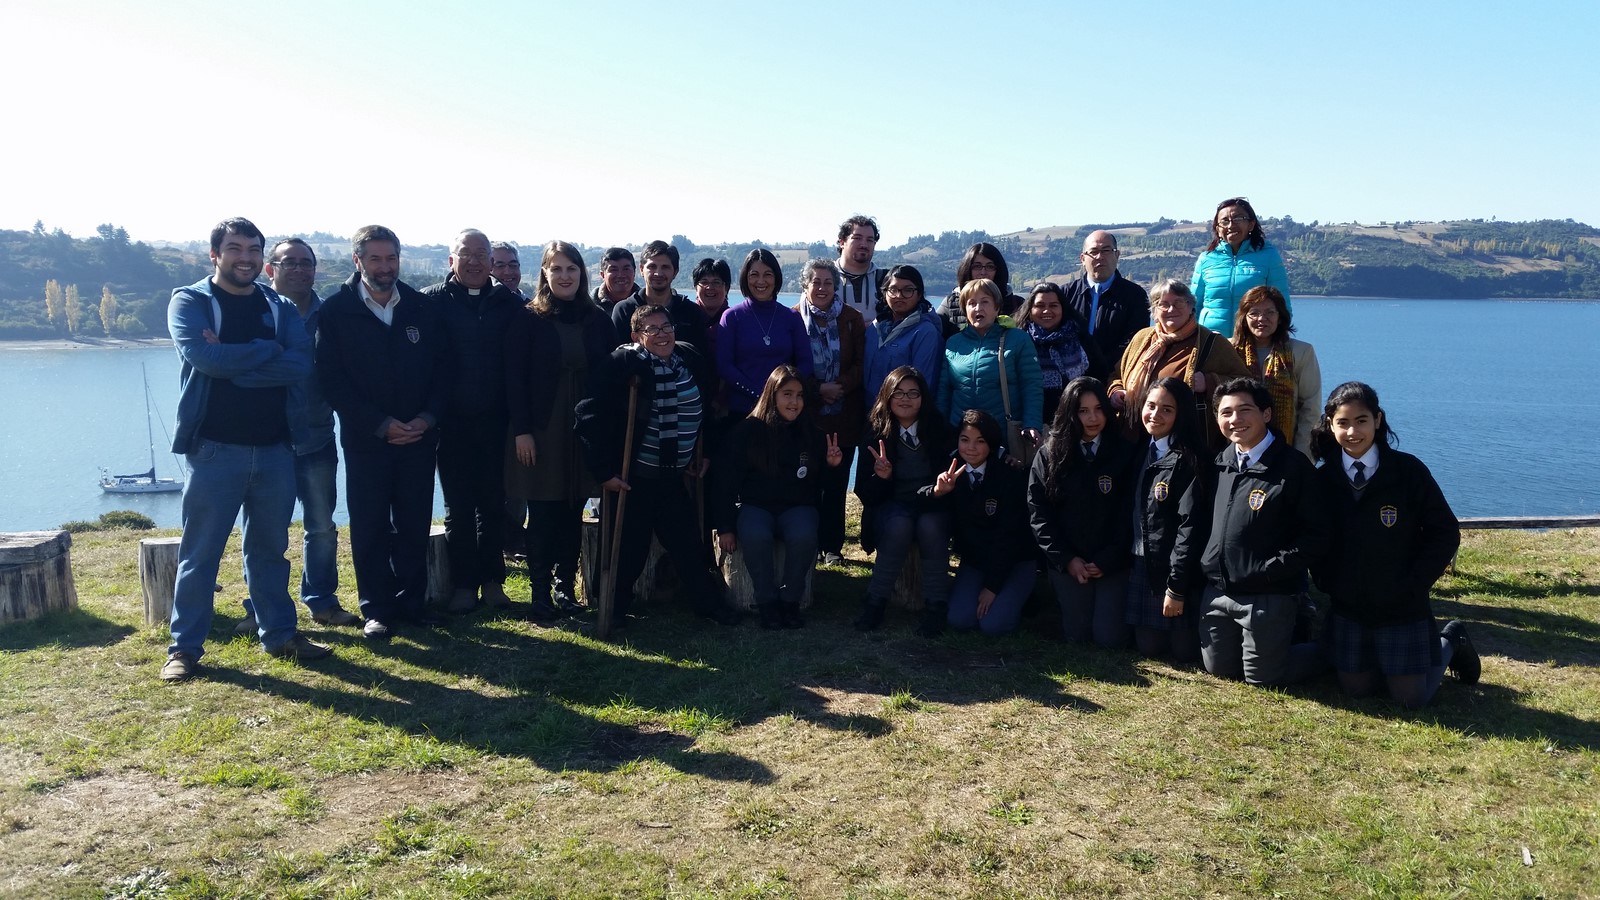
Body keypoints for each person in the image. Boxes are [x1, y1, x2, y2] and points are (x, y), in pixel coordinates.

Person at [160, 217, 329, 681]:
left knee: (270, 550)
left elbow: (299, 364)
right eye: (235, 248)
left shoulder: (276, 305)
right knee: (201, 553)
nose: (246, 257)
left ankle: (279, 633)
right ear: (215, 255)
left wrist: (238, 358)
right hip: (215, 451)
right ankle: (185, 649)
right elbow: (204, 359)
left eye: (254, 249)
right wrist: (265, 350)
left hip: (276, 449)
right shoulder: (192, 301)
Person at [317, 224, 451, 640]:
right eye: (375, 258)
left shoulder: (421, 307)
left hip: (418, 438)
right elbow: (332, 381)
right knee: (370, 526)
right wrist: (379, 424)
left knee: (412, 525)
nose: (384, 266)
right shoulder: (336, 311)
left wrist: (427, 419)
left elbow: (443, 374)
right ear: (357, 261)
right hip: (366, 442)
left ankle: (412, 605)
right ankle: (376, 609)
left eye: (391, 258)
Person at [1311, 381, 1479, 707]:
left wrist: (1415, 583)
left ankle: (1451, 640)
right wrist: (1326, 580)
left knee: (1409, 700)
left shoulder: (1408, 471)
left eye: (1361, 420)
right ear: (1329, 424)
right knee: (1357, 691)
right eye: (1342, 423)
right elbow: (1313, 536)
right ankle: (1380, 660)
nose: (1352, 431)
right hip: (1349, 604)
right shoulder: (1322, 479)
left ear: (1377, 419)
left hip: (1402, 604)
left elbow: (1444, 531)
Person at [576, 305, 741, 629]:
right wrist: (603, 472)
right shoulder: (622, 364)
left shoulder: (689, 361)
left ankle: (708, 606)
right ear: (637, 336)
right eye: (652, 330)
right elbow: (588, 415)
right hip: (633, 477)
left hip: (673, 474)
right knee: (628, 548)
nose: (662, 334)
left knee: (688, 545)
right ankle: (612, 607)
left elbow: (704, 409)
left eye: (666, 326)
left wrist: (701, 452)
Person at [247, 238, 360, 632]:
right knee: (265, 531)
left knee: (322, 527)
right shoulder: (253, 310)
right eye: (288, 262)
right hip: (266, 438)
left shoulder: (330, 315)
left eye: (305, 263)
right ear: (270, 268)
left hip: (316, 436)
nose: (298, 269)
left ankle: (322, 601)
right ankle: (259, 608)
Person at [505, 240, 617, 620]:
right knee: (542, 511)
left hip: (583, 427)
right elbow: (514, 380)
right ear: (545, 275)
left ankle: (565, 588)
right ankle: (539, 594)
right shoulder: (528, 319)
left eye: (571, 269)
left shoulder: (597, 319)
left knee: (573, 509)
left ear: (582, 274)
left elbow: (611, 374)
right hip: (542, 427)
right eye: (557, 269)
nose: (565, 276)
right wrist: (522, 431)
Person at [1191, 377, 1328, 686]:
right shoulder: (1219, 463)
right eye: (1226, 413)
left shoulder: (1294, 468)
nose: (1235, 420)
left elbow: (1317, 535)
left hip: (1269, 592)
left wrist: (1270, 570)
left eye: (1245, 410)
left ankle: (1335, 649)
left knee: (1263, 679)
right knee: (1219, 670)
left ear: (1266, 414)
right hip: (1218, 592)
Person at [423, 229, 521, 614]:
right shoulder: (431, 302)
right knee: (458, 507)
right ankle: (464, 584)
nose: (476, 261)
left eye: (483, 255)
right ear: (452, 260)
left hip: (497, 421)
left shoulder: (508, 303)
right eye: (467, 254)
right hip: (450, 422)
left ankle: (493, 581)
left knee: (494, 503)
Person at [713, 366, 845, 629]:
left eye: (799, 395)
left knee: (804, 534)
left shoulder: (812, 434)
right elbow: (724, 483)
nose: (793, 402)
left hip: (797, 507)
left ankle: (790, 602)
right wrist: (726, 527)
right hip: (756, 505)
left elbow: (824, 488)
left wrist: (832, 466)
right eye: (787, 394)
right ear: (772, 395)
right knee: (754, 534)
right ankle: (767, 604)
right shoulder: (747, 431)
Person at [1028, 376, 1134, 647]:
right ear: (1069, 412)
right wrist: (1066, 559)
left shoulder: (1124, 452)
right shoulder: (1050, 453)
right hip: (1069, 562)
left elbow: (1129, 514)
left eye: (1099, 409)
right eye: (1083, 411)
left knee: (1108, 638)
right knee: (1078, 635)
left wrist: (1108, 559)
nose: (1092, 418)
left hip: (1112, 562)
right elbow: (1039, 513)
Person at [853, 366, 952, 635]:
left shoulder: (938, 428)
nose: (905, 399)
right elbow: (865, 492)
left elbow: (950, 474)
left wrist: (943, 487)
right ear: (886, 395)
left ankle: (935, 606)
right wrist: (881, 478)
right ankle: (875, 602)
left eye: (913, 393)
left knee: (930, 528)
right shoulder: (875, 431)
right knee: (899, 526)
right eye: (898, 393)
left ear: (923, 398)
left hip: (931, 501)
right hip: (891, 505)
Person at [1108, 279, 1250, 450]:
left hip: (1185, 446)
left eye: (1179, 303)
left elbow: (1245, 384)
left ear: (1191, 307)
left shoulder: (1212, 343)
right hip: (1134, 441)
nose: (1171, 309)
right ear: (1154, 310)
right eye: (1163, 304)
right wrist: (1116, 392)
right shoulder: (1142, 339)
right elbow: (1117, 375)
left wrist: (1209, 382)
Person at [1125, 378, 1210, 664]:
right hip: (1141, 563)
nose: (1155, 415)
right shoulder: (1138, 450)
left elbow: (1190, 529)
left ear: (1181, 414)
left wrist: (1176, 587)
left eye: (1166, 409)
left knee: (1185, 653)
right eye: (1150, 406)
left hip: (1174, 569)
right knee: (1148, 648)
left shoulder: (1190, 459)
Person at [935, 409, 1036, 635]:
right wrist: (937, 491)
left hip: (1015, 561)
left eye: (980, 441)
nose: (971, 447)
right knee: (959, 619)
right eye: (965, 440)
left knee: (994, 625)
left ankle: (1022, 596)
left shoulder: (1008, 475)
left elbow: (1009, 537)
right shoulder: (949, 473)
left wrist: (992, 587)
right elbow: (924, 499)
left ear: (991, 443)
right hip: (976, 561)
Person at [796, 258, 865, 567]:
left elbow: (863, 364)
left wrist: (840, 386)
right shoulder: (793, 318)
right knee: (808, 481)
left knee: (836, 483)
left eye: (828, 282)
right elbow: (789, 364)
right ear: (805, 285)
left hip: (844, 415)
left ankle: (833, 546)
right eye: (816, 282)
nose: (822, 287)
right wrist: (816, 389)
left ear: (836, 287)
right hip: (806, 413)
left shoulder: (852, 319)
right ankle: (808, 543)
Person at [939, 278, 1044, 462]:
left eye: (985, 302)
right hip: (962, 438)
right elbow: (944, 391)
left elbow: (1032, 386)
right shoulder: (953, 344)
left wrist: (1032, 424)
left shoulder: (1017, 340)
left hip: (1002, 437)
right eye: (971, 303)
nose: (978, 308)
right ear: (964, 309)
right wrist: (939, 428)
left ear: (997, 307)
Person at [716, 248, 813, 416]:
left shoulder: (791, 317)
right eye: (754, 274)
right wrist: (758, 394)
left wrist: (783, 393)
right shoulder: (732, 317)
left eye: (768, 274)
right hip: (742, 412)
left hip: (784, 412)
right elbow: (725, 366)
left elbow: (806, 363)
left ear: (776, 278)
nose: (761, 281)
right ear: (746, 278)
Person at [1230, 285, 1321, 458]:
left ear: (1280, 317)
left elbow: (1310, 410)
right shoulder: (1228, 350)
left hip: (1286, 453)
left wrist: (1302, 457)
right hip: (1237, 453)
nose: (1261, 318)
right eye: (1254, 313)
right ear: (1244, 317)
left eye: (1270, 312)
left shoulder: (1301, 352)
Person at [1190, 197, 1291, 338]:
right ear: (1218, 229)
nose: (1231, 225)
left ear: (1251, 224)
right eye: (1225, 221)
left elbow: (1282, 304)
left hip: (1253, 342)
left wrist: (1280, 341)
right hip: (1211, 343)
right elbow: (1193, 305)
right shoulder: (1206, 259)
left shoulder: (1269, 256)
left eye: (1238, 218)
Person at [1018, 281, 1106, 419]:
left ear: (1063, 309)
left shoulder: (1080, 338)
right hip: (1031, 422)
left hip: (1075, 419)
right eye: (1040, 306)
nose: (1047, 311)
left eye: (1053, 305)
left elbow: (1098, 376)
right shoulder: (1018, 341)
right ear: (1029, 310)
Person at [1060, 230, 1149, 362]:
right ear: (1083, 259)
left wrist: (1102, 367)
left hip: (1114, 376)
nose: (1100, 257)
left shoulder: (1136, 295)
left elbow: (1135, 340)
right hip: (1071, 375)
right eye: (1094, 252)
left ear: (1117, 255)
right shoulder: (1065, 294)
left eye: (1106, 250)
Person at [862, 264, 943, 400]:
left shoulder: (925, 332)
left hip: (903, 412)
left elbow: (924, 384)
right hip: (869, 412)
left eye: (908, 290)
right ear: (884, 293)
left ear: (919, 295)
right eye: (893, 289)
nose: (899, 296)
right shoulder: (874, 329)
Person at [610, 240, 709, 351]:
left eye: (665, 267)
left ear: (675, 272)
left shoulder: (692, 312)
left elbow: (701, 357)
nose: (658, 273)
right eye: (652, 267)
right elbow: (617, 357)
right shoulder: (624, 310)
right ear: (642, 270)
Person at [936, 242, 1026, 337]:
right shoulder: (950, 304)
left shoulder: (1018, 305)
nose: (983, 272)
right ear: (967, 269)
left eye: (990, 267)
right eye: (977, 266)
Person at [690, 257, 735, 434]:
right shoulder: (685, 319)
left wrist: (720, 399)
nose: (710, 288)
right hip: (690, 404)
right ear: (695, 287)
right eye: (704, 282)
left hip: (729, 406)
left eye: (717, 282)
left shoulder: (736, 321)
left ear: (727, 287)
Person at [835, 214, 889, 323]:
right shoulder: (824, 278)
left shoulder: (887, 280)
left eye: (870, 240)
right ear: (842, 242)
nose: (863, 244)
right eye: (857, 238)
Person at [592, 247, 639, 315]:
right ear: (602, 275)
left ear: (634, 272)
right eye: (614, 270)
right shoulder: (588, 306)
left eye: (626, 269)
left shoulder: (646, 302)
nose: (621, 275)